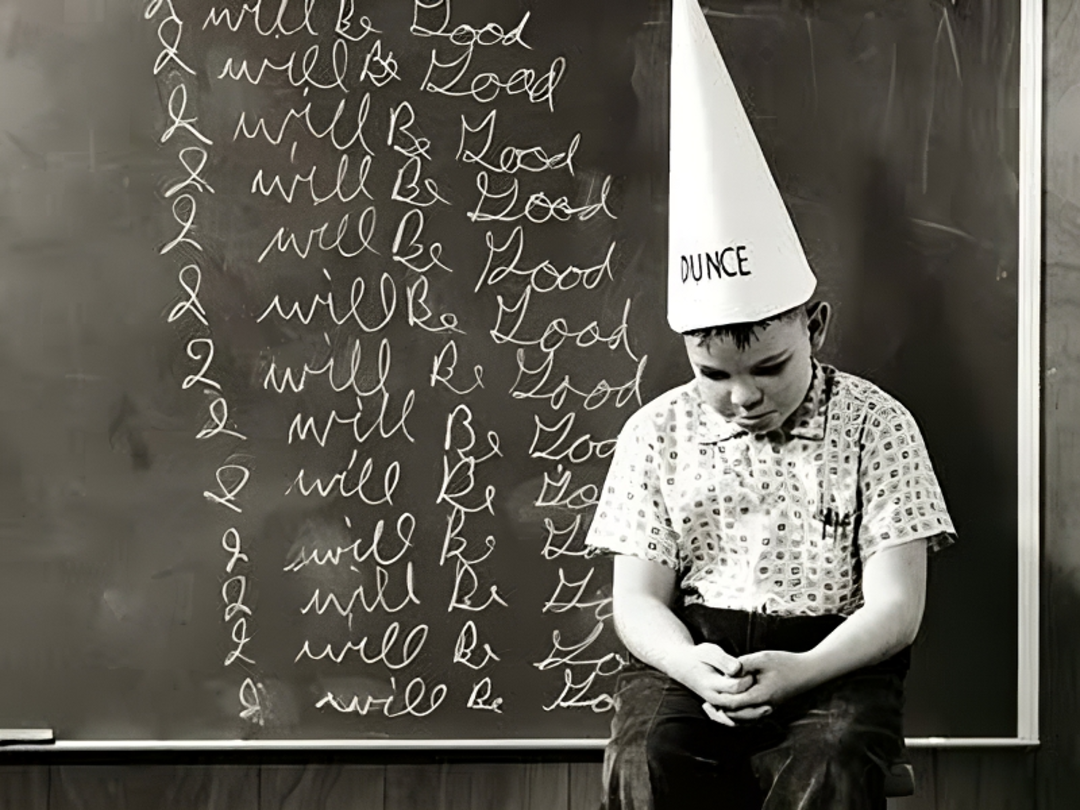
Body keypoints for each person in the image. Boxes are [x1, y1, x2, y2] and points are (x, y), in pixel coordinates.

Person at [584, 2, 956, 808]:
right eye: (713, 374)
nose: (742, 396)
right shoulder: (657, 432)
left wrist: (801, 671)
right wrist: (689, 664)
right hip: (696, 656)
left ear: (814, 325)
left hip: (835, 664)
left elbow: (896, 605)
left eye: (770, 367)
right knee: (647, 756)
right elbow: (637, 600)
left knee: (826, 765)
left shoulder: (877, 426)